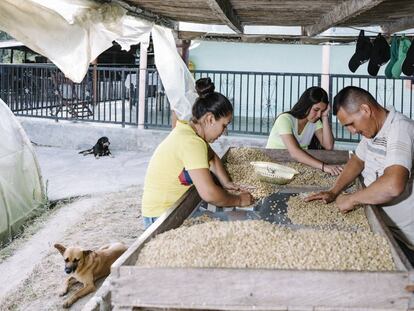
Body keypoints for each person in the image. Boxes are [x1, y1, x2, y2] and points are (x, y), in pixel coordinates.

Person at [306, 86, 414, 264]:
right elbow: (357, 161)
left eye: (350, 124)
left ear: (365, 110)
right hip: (380, 225)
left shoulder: (400, 129)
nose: (352, 131)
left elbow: (393, 184)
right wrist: (334, 192)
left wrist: (352, 199)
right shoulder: (373, 130)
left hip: (405, 238)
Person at [141, 77, 254, 229]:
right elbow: (209, 193)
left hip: (166, 210)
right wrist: (239, 200)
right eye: (224, 125)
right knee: (235, 225)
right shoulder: (192, 143)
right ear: (210, 119)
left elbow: (212, 157)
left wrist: (226, 182)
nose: (224, 132)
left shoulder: (188, 132)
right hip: (161, 217)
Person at [266, 86, 342, 176]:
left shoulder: (314, 121)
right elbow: (295, 152)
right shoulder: (285, 119)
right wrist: (324, 166)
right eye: (316, 110)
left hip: (297, 166)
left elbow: (328, 146)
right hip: (273, 165)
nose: (318, 115)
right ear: (306, 105)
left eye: (322, 111)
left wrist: (325, 116)